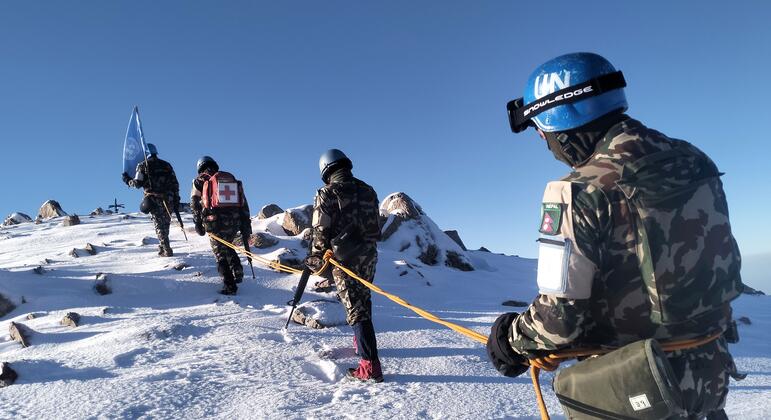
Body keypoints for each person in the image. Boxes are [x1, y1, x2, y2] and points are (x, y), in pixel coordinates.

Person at [487, 52, 743, 418]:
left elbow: (559, 321)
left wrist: (511, 340)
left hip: (636, 388)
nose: (542, 138)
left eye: (539, 128)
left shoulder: (576, 191)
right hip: (709, 377)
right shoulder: (693, 160)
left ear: (560, 119)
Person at [304, 149, 383, 382]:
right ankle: (361, 345)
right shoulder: (369, 190)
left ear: (326, 170)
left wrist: (317, 258)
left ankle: (370, 367)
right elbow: (376, 226)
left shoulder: (327, 193)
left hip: (344, 259)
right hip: (369, 255)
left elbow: (320, 232)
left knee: (355, 308)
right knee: (363, 298)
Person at [190, 156, 252, 295]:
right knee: (228, 244)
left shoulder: (200, 180)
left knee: (219, 254)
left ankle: (229, 286)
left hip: (214, 221)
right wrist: (245, 224)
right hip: (234, 220)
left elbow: (194, 204)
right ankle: (237, 270)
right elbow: (244, 203)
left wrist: (198, 223)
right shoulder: (230, 179)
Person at [122, 143, 180, 257]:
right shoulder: (167, 165)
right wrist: (176, 199)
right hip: (169, 199)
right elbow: (175, 184)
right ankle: (163, 245)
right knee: (165, 224)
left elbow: (138, 183)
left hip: (154, 198)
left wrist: (128, 180)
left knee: (159, 224)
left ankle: (166, 249)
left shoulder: (143, 165)